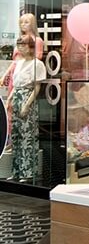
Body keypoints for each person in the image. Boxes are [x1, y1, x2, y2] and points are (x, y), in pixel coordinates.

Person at [9, 35, 45, 183]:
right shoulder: (19, 63)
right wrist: (10, 98)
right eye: (19, 45)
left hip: (27, 97)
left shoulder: (37, 64)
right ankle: (17, 171)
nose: (20, 48)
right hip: (17, 96)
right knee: (16, 135)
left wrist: (27, 104)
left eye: (23, 45)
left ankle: (28, 172)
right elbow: (16, 84)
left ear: (30, 47)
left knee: (27, 136)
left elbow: (37, 87)